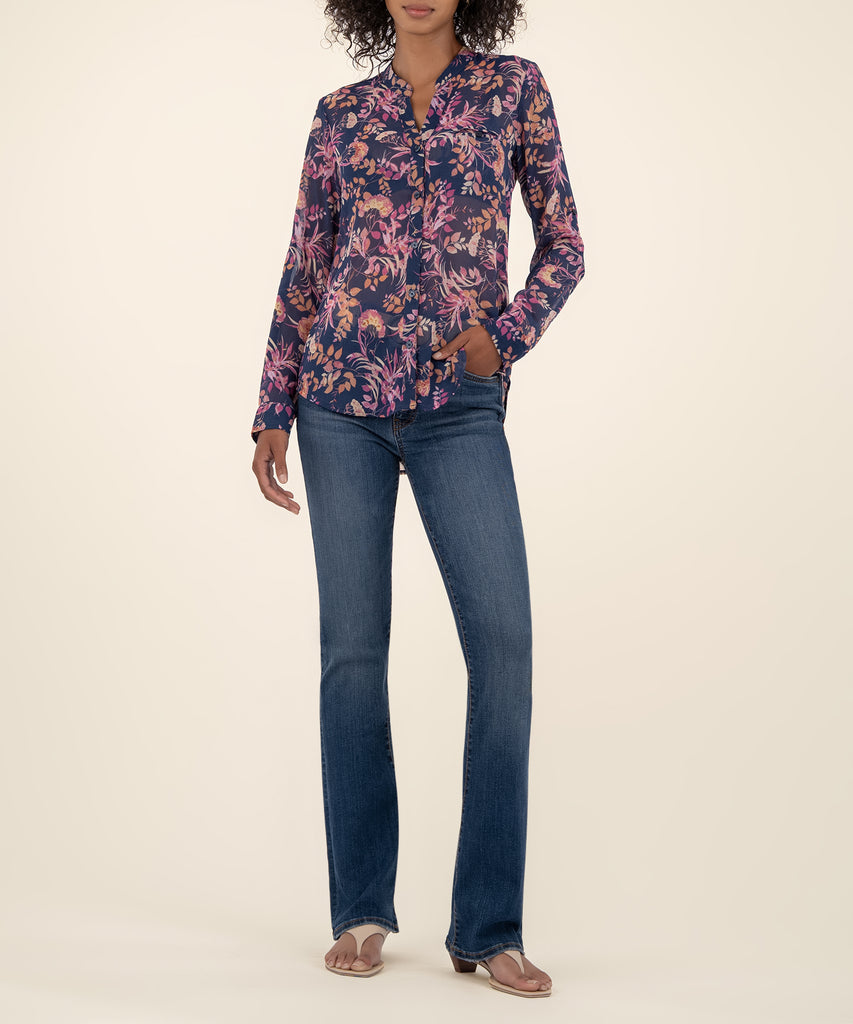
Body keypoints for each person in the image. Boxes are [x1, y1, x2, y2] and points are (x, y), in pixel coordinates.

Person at [250, 0, 584, 998]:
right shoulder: (340, 113)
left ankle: (488, 925)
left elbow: (564, 245)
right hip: (336, 405)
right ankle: (360, 908)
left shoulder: (513, 90)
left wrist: (503, 338)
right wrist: (272, 407)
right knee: (352, 653)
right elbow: (307, 264)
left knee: (504, 645)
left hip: (457, 407)